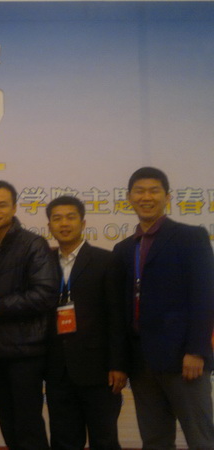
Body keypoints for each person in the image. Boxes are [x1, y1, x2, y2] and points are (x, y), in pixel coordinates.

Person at [112, 167, 214, 449]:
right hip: (142, 362)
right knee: (155, 440)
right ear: (129, 197)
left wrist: (197, 350)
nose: (146, 197)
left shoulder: (190, 237)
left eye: (153, 191)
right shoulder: (123, 249)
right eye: (139, 191)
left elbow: (204, 296)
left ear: (167, 197)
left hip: (184, 360)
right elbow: (120, 311)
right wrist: (121, 362)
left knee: (201, 438)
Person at [0, 180, 58, 450]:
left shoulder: (33, 244)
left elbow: (46, 294)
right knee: (8, 425)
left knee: (28, 426)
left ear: (14, 207)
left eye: (2, 205)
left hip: (25, 352)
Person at [45, 196, 127, 450]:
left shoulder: (106, 260)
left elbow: (117, 316)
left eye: (70, 217)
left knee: (104, 440)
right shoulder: (43, 262)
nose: (64, 224)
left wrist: (118, 365)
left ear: (83, 223)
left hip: (99, 371)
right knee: (64, 441)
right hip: (57, 371)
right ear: (49, 226)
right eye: (57, 219)